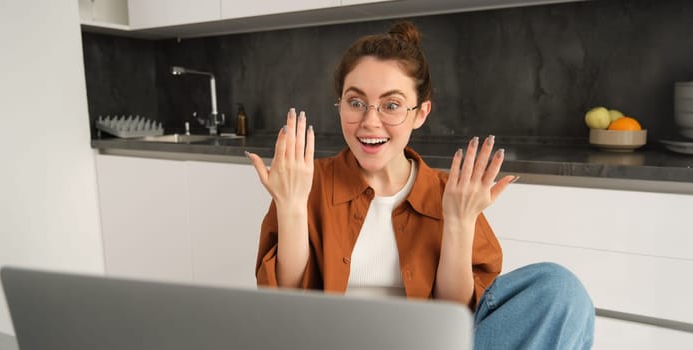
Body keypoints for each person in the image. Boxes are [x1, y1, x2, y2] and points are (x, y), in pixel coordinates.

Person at [246, 21, 594, 349]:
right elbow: (286, 307)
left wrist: (459, 222)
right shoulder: (307, 182)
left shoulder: (448, 193)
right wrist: (291, 208)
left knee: (560, 289)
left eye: (391, 105)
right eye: (356, 102)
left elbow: (457, 320)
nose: (370, 122)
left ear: (421, 112)